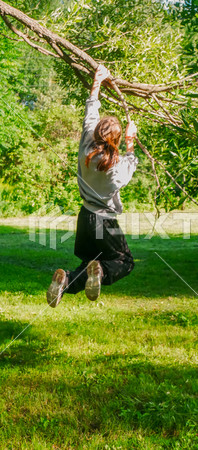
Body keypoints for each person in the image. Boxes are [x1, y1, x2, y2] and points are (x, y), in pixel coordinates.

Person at [47, 65, 138, 308]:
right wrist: (130, 142)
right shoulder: (115, 166)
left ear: (97, 132)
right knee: (125, 262)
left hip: (85, 216)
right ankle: (102, 272)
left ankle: (65, 281)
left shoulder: (86, 147)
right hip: (104, 220)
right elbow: (130, 166)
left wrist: (97, 81)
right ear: (116, 140)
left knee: (87, 264)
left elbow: (90, 112)